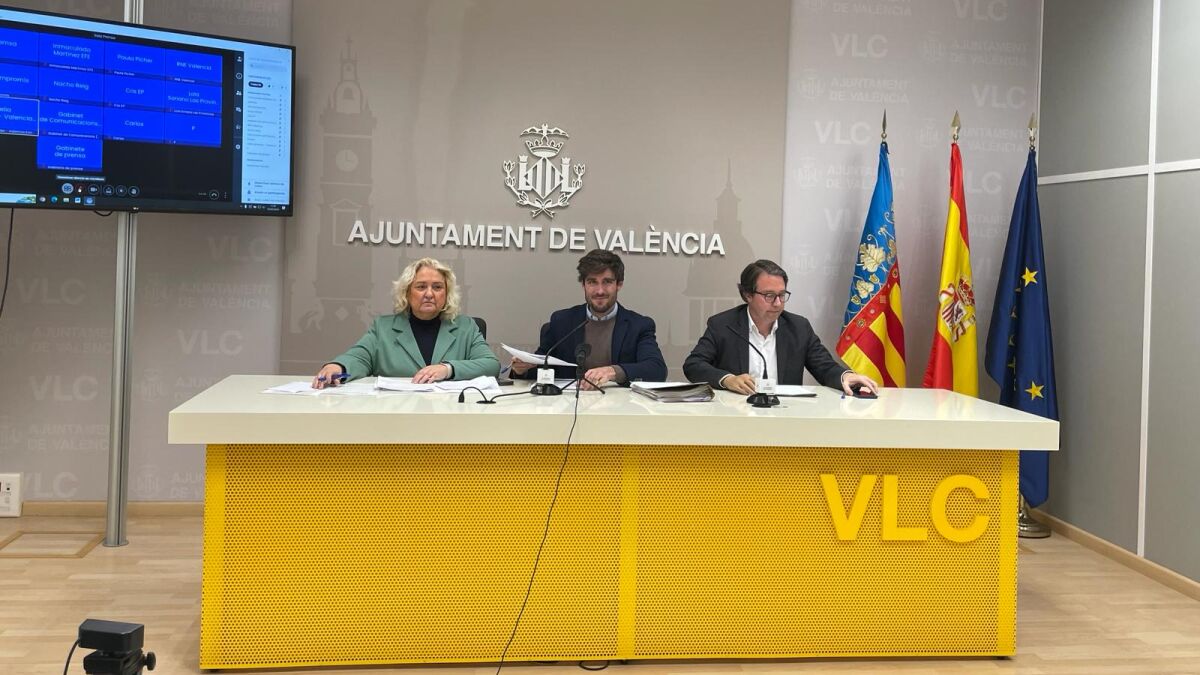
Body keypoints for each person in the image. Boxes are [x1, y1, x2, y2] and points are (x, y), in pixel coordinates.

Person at [683, 259, 879, 396]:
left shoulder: (798, 327)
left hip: (785, 418)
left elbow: (824, 366)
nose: (777, 303)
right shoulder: (723, 325)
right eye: (769, 296)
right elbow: (693, 365)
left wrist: (846, 376)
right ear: (747, 295)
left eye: (782, 295)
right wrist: (728, 380)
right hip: (737, 416)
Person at [312, 257, 499, 388]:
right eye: (421, 287)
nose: (429, 293)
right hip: (396, 417)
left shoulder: (466, 327)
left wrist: (448, 369)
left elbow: (491, 365)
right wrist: (337, 367)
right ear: (407, 293)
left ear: (447, 293)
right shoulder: (383, 328)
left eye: (437, 287)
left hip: (449, 415)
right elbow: (359, 358)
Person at [511, 249, 667, 388]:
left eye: (607, 282)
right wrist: (522, 369)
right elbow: (541, 368)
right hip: (567, 405)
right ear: (583, 285)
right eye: (592, 282)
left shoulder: (639, 325)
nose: (600, 291)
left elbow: (657, 369)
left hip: (620, 406)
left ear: (619, 285)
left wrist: (613, 371)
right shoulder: (562, 321)